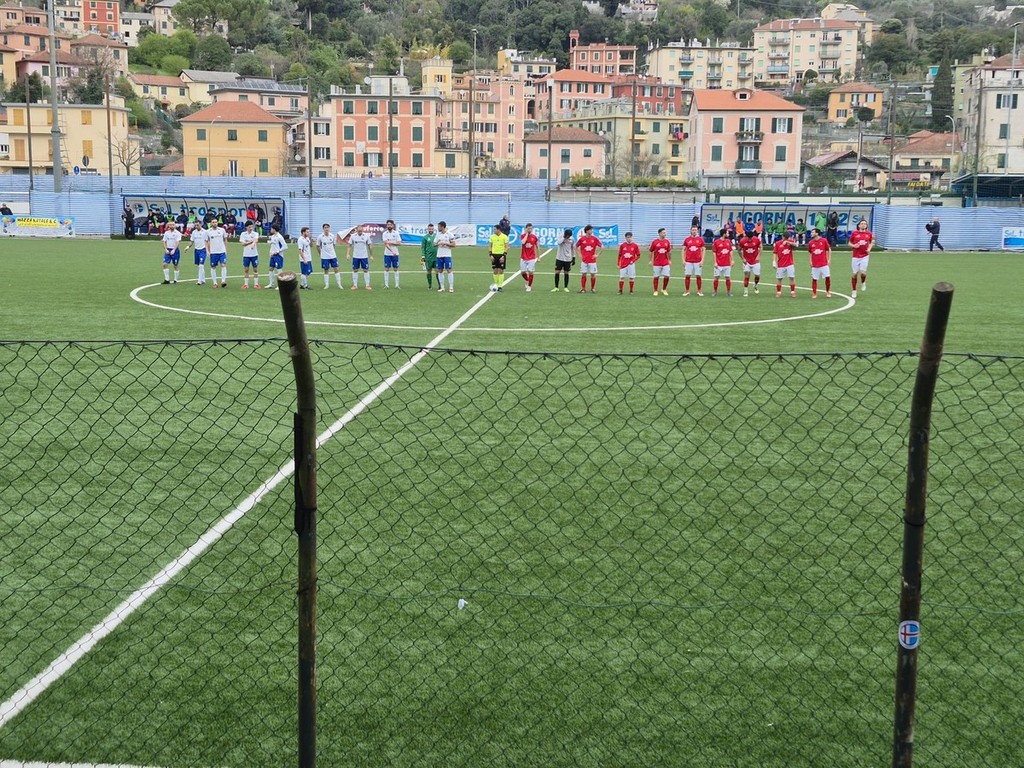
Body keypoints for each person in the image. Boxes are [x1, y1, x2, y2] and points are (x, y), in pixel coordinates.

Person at [848, 218, 874, 299]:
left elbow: (872, 242)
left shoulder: (869, 233)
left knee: (863, 273)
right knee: (854, 274)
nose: (863, 225)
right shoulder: (854, 233)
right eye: (862, 223)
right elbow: (849, 243)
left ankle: (863, 282)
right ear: (859, 225)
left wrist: (869, 248)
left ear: (866, 226)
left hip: (865, 256)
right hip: (855, 256)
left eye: (865, 224)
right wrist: (854, 246)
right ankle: (854, 290)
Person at [575, 224, 602, 293]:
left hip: (592, 260)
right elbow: (575, 246)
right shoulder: (582, 239)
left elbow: (602, 247)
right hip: (584, 260)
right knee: (583, 274)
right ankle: (583, 288)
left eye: (591, 230)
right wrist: (579, 254)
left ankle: (593, 288)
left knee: (593, 274)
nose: (591, 231)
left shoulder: (595, 239)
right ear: (587, 231)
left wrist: (597, 255)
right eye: (590, 230)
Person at [807, 227, 832, 299]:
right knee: (814, 279)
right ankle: (814, 293)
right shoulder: (810, 243)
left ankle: (828, 291)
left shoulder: (824, 240)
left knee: (827, 277)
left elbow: (829, 249)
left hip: (824, 263)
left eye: (813, 232)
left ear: (817, 233)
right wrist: (810, 261)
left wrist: (829, 260)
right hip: (815, 264)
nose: (811, 233)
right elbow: (810, 253)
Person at [681, 224, 706, 297]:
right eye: (693, 230)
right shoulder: (687, 239)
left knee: (698, 276)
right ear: (691, 231)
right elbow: (683, 250)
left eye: (695, 230)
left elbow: (704, 250)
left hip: (698, 261)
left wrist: (702, 260)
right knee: (687, 276)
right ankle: (687, 291)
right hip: (688, 261)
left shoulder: (700, 239)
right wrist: (683, 260)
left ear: (697, 231)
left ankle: (699, 291)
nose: (694, 231)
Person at [348, 223, 373, 290]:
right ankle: (355, 285)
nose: (360, 232)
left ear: (362, 230)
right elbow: (349, 245)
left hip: (364, 256)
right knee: (355, 270)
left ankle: (367, 285)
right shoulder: (353, 236)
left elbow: (370, 245)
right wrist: (348, 254)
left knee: (366, 270)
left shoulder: (366, 236)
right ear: (356, 230)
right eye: (359, 231)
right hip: (356, 256)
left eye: (361, 231)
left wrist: (371, 255)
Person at [316, 223, 342, 289]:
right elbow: (317, 246)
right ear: (323, 229)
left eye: (327, 227)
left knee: (336, 269)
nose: (326, 229)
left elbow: (334, 245)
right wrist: (321, 253)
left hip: (333, 256)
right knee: (326, 270)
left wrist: (331, 251)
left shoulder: (332, 236)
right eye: (325, 227)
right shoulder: (320, 237)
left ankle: (339, 284)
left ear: (329, 228)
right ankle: (326, 285)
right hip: (324, 257)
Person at [182, 220, 209, 285]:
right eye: (195, 225)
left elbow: (208, 241)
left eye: (197, 225)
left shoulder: (205, 232)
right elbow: (192, 241)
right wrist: (187, 247)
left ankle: (199, 280)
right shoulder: (194, 232)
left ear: (201, 224)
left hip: (203, 250)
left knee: (201, 265)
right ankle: (203, 279)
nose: (196, 226)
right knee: (199, 265)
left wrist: (208, 250)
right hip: (196, 250)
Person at [772, 231, 797, 298]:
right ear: (782, 237)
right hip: (781, 264)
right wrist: (774, 262)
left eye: (787, 238)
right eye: (785, 238)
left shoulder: (790, 242)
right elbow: (775, 253)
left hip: (790, 263)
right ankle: (778, 292)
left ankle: (792, 292)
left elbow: (796, 246)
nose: (785, 239)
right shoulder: (777, 243)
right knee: (779, 278)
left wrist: (788, 242)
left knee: (791, 277)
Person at [738, 228, 762, 297]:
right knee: (747, 275)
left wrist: (758, 256)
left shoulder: (756, 240)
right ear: (746, 237)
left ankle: (755, 285)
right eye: (749, 238)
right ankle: (745, 291)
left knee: (757, 276)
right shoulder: (742, 241)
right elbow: (739, 250)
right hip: (747, 262)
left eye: (751, 238)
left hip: (755, 261)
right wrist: (743, 259)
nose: (750, 239)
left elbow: (761, 247)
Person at [711, 227, 735, 297]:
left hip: (727, 264)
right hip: (719, 264)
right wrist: (715, 262)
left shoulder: (728, 241)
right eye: (727, 233)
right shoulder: (716, 242)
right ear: (724, 234)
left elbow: (730, 251)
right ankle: (715, 291)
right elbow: (714, 252)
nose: (728, 234)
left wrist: (732, 260)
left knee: (728, 277)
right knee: (716, 277)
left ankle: (729, 292)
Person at [648, 227, 672, 296]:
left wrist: (669, 260)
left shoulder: (667, 242)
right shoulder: (655, 242)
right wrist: (650, 260)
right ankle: (655, 290)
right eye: (663, 233)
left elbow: (669, 252)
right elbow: (651, 251)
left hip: (665, 262)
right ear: (659, 233)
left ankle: (664, 289)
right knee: (656, 277)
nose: (665, 234)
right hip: (657, 263)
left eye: (665, 232)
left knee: (667, 276)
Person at [206, 218, 229, 288]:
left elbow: (225, 240)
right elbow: (206, 242)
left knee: (223, 264)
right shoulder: (208, 231)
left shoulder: (222, 230)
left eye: (216, 222)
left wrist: (226, 249)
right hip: (213, 252)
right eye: (213, 222)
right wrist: (207, 251)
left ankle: (223, 281)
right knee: (213, 267)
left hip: (222, 251)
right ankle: (215, 283)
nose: (215, 223)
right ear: (211, 223)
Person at [434, 220, 456, 292]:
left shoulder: (449, 234)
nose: (438, 228)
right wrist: (438, 243)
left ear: (442, 227)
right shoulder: (438, 235)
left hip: (447, 255)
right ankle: (442, 287)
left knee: (449, 270)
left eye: (439, 227)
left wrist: (446, 243)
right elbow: (434, 244)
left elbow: (454, 244)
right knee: (440, 270)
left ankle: (451, 287)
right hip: (439, 255)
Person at [239, 220, 261, 289]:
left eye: (252, 227)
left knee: (255, 269)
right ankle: (246, 284)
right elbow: (243, 244)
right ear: (246, 227)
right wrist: (251, 242)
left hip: (254, 254)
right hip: (246, 255)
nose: (251, 228)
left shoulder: (255, 233)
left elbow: (256, 240)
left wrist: (253, 243)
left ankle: (256, 284)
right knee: (246, 269)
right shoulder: (243, 234)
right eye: (249, 227)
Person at [518, 222, 539, 292]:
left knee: (531, 272)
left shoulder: (534, 237)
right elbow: (523, 242)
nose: (530, 230)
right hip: (523, 257)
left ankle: (529, 286)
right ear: (526, 229)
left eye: (531, 228)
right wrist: (527, 234)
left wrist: (538, 257)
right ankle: (527, 280)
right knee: (523, 272)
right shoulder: (523, 236)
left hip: (531, 258)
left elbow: (537, 246)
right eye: (528, 228)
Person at [382, 218, 402, 289]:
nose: (389, 226)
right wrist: (392, 251)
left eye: (390, 224)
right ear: (386, 225)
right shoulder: (384, 233)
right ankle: (386, 285)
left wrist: (390, 242)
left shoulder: (396, 233)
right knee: (386, 269)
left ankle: (397, 285)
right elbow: (386, 244)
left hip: (395, 254)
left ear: (393, 225)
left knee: (396, 269)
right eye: (388, 224)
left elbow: (399, 243)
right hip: (387, 254)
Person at [488, 224, 509, 291]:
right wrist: (490, 255)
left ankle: (500, 286)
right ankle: (496, 285)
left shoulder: (504, 237)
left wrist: (503, 256)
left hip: (501, 255)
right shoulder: (492, 237)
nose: (494, 230)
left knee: (500, 270)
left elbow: (507, 247)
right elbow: (490, 246)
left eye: (495, 229)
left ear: (498, 229)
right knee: (495, 270)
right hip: (494, 255)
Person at [266, 224, 288, 289]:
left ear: (274, 229)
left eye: (271, 229)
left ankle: (281, 285)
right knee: (271, 268)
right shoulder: (273, 236)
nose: (270, 230)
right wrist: (270, 252)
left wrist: (278, 251)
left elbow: (285, 246)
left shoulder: (280, 237)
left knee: (279, 269)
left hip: (278, 255)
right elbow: (273, 245)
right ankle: (271, 284)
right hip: (273, 255)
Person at [420, 223, 438, 290]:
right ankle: (430, 286)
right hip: (428, 257)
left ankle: (440, 286)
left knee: (437, 271)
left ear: (434, 229)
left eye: (432, 229)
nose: (431, 230)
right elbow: (423, 248)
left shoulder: (437, 236)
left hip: (436, 257)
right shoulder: (425, 237)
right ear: (427, 229)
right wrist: (423, 256)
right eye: (429, 229)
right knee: (429, 271)